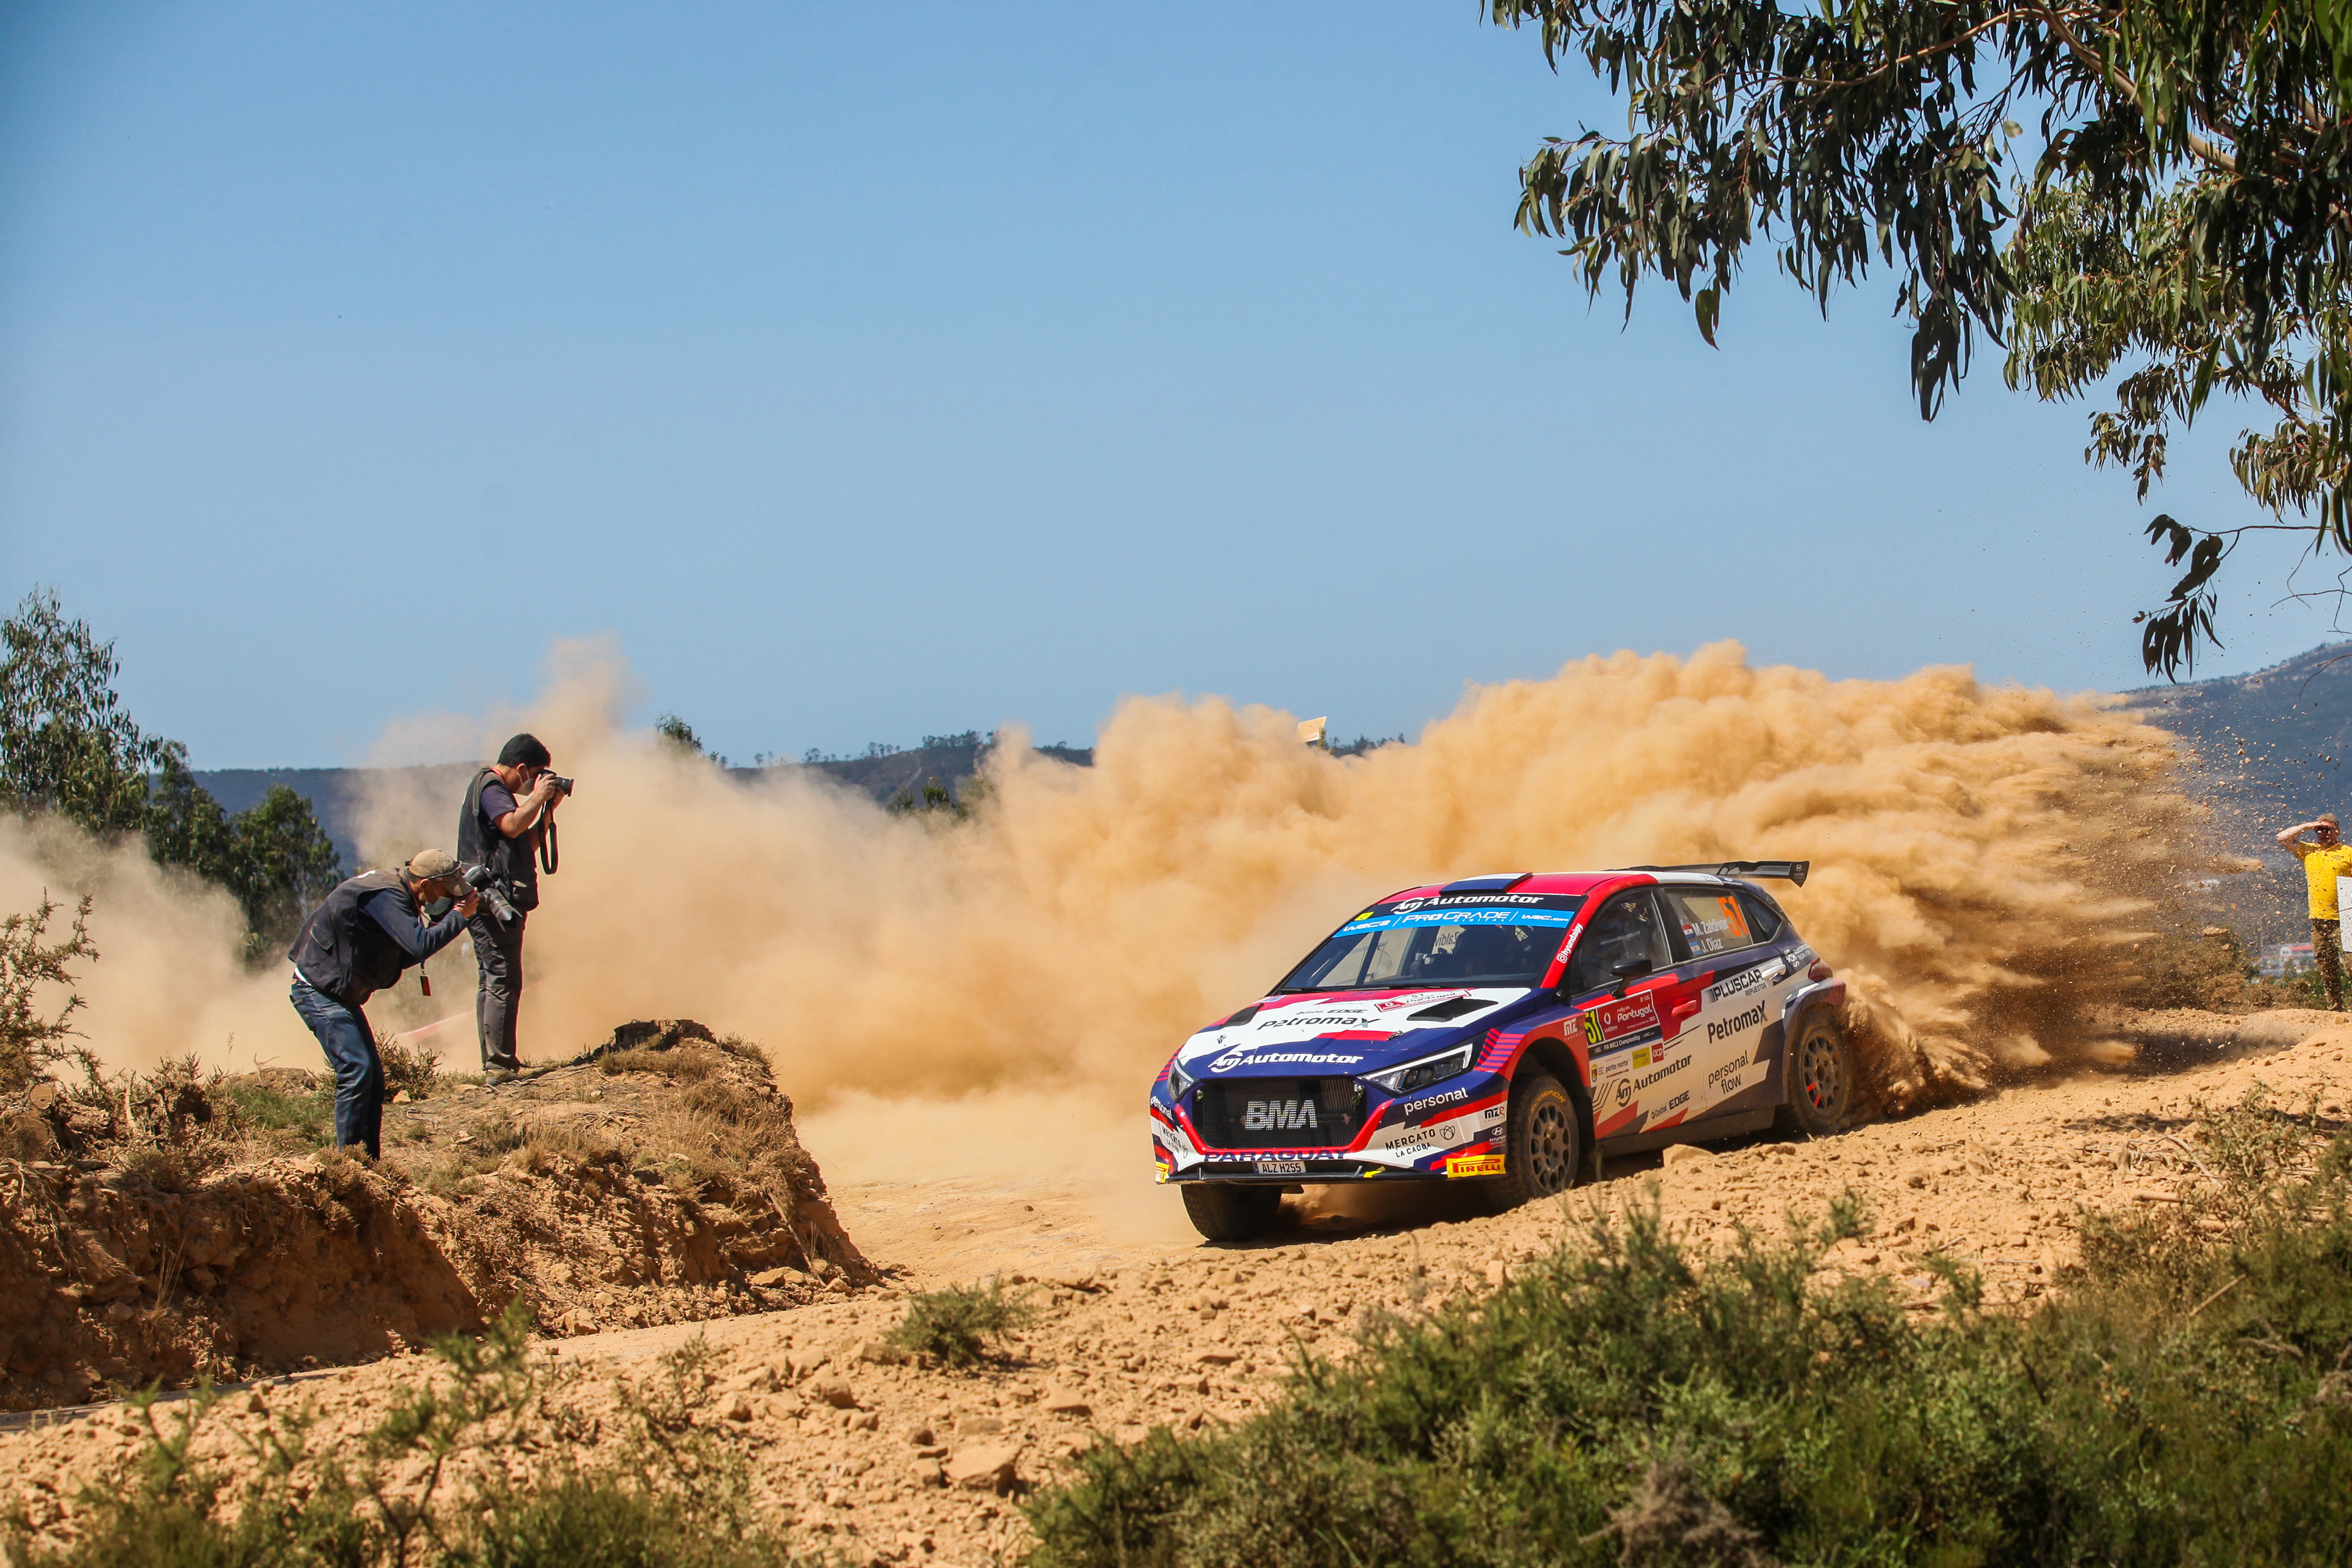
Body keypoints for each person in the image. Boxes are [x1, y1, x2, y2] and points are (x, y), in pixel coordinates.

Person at [286, 849, 478, 1159]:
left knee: (373, 1080)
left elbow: (408, 952)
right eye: (446, 890)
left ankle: (369, 1165)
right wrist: (459, 917)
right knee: (356, 1071)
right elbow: (420, 945)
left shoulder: (400, 892)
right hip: (317, 990)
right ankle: (348, 1167)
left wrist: (451, 917)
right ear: (426, 885)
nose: (448, 897)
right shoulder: (386, 895)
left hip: (339, 994)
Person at [455, 733, 562, 1083]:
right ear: (521, 768)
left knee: (493, 977)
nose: (535, 783)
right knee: (502, 977)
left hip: (493, 898)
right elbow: (512, 824)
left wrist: (547, 813)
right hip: (492, 901)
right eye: (535, 775)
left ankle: (496, 1061)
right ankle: (499, 1067)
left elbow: (521, 843)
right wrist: (537, 798)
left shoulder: (492, 790)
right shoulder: (491, 788)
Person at [2277, 813, 2352, 1011]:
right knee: (2327, 970)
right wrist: (2310, 825)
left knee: (2351, 966)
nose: (2322, 833)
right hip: (2319, 920)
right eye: (2319, 830)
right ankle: (2336, 1010)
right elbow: (2283, 838)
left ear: (2337, 831)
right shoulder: (2309, 851)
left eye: (2326, 829)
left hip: (2347, 917)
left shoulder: (2348, 853)